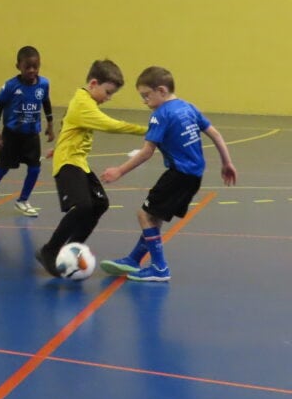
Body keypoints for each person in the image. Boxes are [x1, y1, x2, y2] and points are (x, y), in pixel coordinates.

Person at [99, 66, 236, 282]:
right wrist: (227, 163)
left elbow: (147, 152)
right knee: (155, 216)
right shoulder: (188, 107)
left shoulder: (160, 115)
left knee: (144, 215)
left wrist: (119, 171)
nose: (144, 101)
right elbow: (216, 134)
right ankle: (134, 259)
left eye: (146, 96)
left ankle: (159, 268)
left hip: (178, 174)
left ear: (161, 91)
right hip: (194, 176)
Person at [35, 59, 147, 277]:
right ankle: (49, 251)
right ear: (94, 83)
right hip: (68, 162)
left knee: (100, 204)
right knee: (83, 206)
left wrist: (58, 145)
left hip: (78, 162)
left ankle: (71, 249)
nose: (109, 97)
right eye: (108, 92)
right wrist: (148, 130)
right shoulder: (83, 103)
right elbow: (110, 125)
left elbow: (68, 122)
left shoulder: (84, 101)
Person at [0, 45, 54, 217]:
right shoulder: (11, 86)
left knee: (34, 168)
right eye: (28, 67)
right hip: (12, 135)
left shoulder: (43, 84)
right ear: (18, 66)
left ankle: (23, 200)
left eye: (36, 66)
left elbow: (46, 102)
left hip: (32, 135)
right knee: (2, 168)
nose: (32, 70)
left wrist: (50, 124)